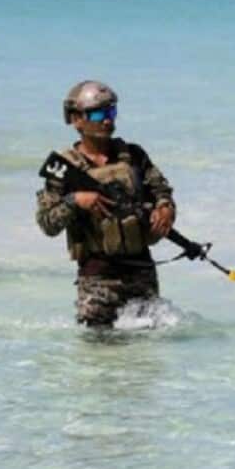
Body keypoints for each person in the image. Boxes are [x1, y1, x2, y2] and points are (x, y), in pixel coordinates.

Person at [36, 81, 177, 327]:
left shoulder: (133, 156)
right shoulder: (63, 169)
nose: (107, 120)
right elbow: (47, 223)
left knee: (149, 354)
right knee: (97, 356)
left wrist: (165, 208)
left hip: (141, 271)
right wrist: (75, 201)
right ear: (76, 119)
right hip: (98, 279)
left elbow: (161, 189)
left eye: (111, 112)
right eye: (99, 113)